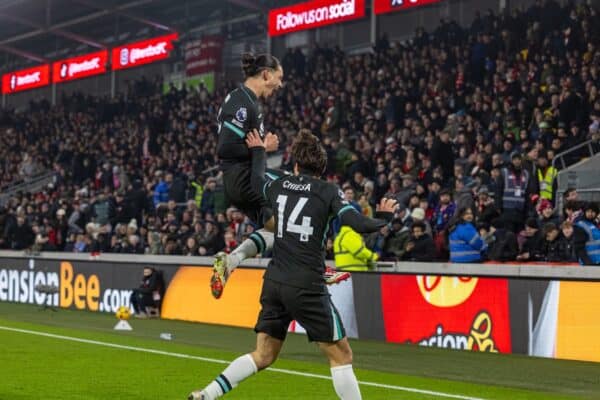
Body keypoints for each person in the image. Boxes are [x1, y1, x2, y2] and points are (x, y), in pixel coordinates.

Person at [188, 130, 397, 400]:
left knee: (263, 354)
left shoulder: (280, 185)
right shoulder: (328, 191)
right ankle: (236, 258)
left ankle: (207, 394)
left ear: (295, 165)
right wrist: (384, 218)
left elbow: (257, 177)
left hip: (274, 282)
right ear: (322, 169)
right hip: (307, 284)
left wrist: (261, 150)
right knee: (342, 355)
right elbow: (358, 223)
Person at [210, 53, 283, 298]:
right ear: (266, 74)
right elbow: (224, 148)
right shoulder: (242, 101)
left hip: (245, 180)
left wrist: (261, 148)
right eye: (278, 78)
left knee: (278, 229)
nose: (280, 85)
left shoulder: (250, 102)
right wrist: (262, 147)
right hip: (245, 179)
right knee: (302, 192)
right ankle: (315, 269)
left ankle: (231, 261)